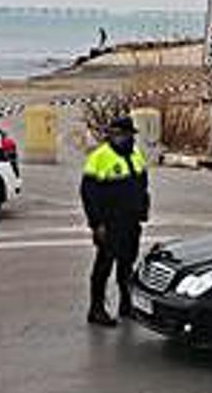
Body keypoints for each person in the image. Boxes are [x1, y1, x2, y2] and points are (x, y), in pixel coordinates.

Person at [80, 116, 150, 327]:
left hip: (131, 221)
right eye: (116, 134)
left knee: (126, 264)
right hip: (109, 223)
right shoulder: (99, 157)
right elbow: (87, 194)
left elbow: (142, 184)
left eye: (125, 134)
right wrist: (96, 223)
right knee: (104, 265)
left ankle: (126, 305)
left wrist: (143, 209)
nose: (120, 138)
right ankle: (96, 309)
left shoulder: (136, 153)